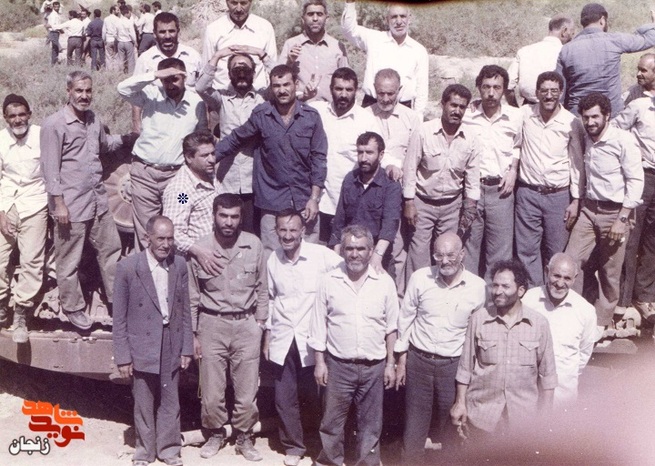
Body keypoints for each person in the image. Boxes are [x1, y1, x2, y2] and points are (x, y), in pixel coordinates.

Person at [40, 71, 128, 330]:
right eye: (79, 91)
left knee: (111, 252)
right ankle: (73, 307)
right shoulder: (54, 125)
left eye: (88, 91)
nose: (84, 96)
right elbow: (50, 169)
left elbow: (104, 146)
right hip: (71, 206)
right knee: (69, 260)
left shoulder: (93, 120)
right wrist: (59, 205)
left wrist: (128, 138)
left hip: (98, 201)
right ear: (68, 91)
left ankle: (117, 302)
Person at [308, 224, 399, 466]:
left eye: (361, 249)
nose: (355, 254)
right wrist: (319, 363)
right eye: (349, 248)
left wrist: (390, 364)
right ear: (343, 250)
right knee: (332, 422)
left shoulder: (384, 282)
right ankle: (329, 462)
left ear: (371, 250)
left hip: (374, 367)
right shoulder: (329, 280)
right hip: (338, 366)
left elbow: (391, 328)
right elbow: (318, 325)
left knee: (371, 425)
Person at [214, 65, 327, 255]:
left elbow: (319, 158)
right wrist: (209, 158)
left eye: (286, 84)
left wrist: (314, 198)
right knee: (272, 256)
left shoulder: (311, 117)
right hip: (272, 199)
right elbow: (236, 138)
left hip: (304, 198)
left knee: (310, 255)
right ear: (271, 87)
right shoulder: (261, 114)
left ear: (296, 84)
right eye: (276, 86)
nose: (282, 90)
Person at [190, 194, 268, 461]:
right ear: (214, 215)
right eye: (223, 215)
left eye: (234, 216)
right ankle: (215, 433)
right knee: (212, 393)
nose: (228, 222)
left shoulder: (253, 245)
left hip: (246, 325)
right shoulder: (201, 248)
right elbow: (192, 295)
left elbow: (263, 288)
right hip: (212, 325)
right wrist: (193, 333)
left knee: (247, 392)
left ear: (241, 218)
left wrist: (260, 324)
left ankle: (244, 437)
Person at [395, 232, 485, 461]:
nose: (444, 261)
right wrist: (402, 361)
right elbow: (405, 320)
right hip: (419, 362)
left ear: (462, 254)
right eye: (439, 255)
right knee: (414, 427)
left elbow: (477, 333)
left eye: (450, 255)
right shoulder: (420, 278)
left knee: (451, 428)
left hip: (453, 366)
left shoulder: (478, 287)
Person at [113, 215, 193, 466]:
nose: (166, 244)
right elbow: (119, 318)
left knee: (170, 400)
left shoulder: (179, 265)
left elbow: (184, 310)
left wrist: (186, 348)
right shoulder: (128, 267)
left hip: (170, 340)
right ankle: (144, 452)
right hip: (142, 343)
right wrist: (123, 356)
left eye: (170, 239)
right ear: (147, 238)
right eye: (160, 238)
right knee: (143, 401)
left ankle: (169, 450)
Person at [264, 210, 342, 466]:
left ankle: (320, 446)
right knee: (284, 398)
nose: (287, 236)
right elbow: (271, 299)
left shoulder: (321, 256)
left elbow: (346, 271)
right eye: (283, 230)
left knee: (317, 397)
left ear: (303, 231)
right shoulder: (273, 259)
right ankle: (293, 447)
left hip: (313, 340)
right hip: (283, 337)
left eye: (293, 230)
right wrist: (268, 336)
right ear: (276, 231)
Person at [565, 92, 643, 333]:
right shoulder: (586, 137)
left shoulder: (623, 140)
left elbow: (636, 180)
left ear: (607, 116)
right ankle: (573, 312)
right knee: (571, 260)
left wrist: (622, 218)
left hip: (615, 212)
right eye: (586, 117)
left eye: (595, 117)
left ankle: (601, 323)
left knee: (610, 271)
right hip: (589, 210)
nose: (590, 122)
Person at [450, 259, 558, 435]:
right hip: (481, 416)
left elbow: (548, 375)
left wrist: (545, 416)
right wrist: (460, 403)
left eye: (505, 286)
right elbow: (465, 368)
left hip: (523, 420)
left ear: (521, 290)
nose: (498, 291)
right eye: (495, 285)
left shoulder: (539, 324)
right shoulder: (478, 319)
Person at [117, 58, 208, 250]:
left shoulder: (197, 102)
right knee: (147, 229)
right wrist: (155, 75)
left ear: (184, 77)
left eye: (175, 79)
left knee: (179, 218)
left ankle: (175, 266)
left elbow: (200, 137)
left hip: (177, 179)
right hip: (145, 176)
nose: (171, 84)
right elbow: (122, 89)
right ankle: (149, 266)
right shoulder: (150, 95)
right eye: (166, 80)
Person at [404, 84, 480, 281]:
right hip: (423, 203)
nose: (457, 111)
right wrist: (409, 202)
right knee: (419, 252)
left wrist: (470, 207)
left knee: (448, 252)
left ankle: (446, 291)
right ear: (442, 104)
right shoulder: (423, 131)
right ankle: (417, 290)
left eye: (462, 107)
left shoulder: (471, 137)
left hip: (451, 206)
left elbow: (472, 176)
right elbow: (410, 168)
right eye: (453, 105)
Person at [515, 71, 584, 286]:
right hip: (528, 193)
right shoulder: (524, 114)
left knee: (556, 251)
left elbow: (577, 164)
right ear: (536, 93)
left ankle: (554, 293)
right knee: (527, 250)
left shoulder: (571, 122)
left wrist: (576, 200)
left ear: (561, 93)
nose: (549, 95)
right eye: (544, 91)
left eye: (554, 91)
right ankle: (535, 292)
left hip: (558, 196)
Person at [462, 65, 522, 280]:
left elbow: (518, 146)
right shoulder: (467, 115)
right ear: (478, 88)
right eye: (486, 87)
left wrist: (513, 169)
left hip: (500, 191)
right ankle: (468, 296)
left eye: (497, 87)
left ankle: (495, 296)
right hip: (472, 190)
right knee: (469, 248)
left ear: (504, 90)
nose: (491, 92)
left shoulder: (516, 116)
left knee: (500, 252)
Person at [196, 52, 265, 234]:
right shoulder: (222, 99)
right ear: (229, 74)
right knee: (227, 227)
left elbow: (278, 79)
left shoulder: (262, 98)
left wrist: (263, 55)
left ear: (254, 73)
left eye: (246, 69)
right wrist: (216, 57)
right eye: (236, 69)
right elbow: (201, 87)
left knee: (250, 230)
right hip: (227, 176)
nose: (241, 74)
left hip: (253, 176)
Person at [366, 67, 422, 293]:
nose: (386, 98)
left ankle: (398, 297)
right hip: (370, 191)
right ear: (374, 90)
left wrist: (409, 198)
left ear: (400, 90)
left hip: (398, 192)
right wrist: (388, 164)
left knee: (397, 247)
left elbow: (414, 158)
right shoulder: (365, 115)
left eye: (391, 93)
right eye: (381, 93)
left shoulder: (412, 118)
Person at [309, 67, 380, 242]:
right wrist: (304, 96)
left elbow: (376, 154)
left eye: (349, 90)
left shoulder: (366, 120)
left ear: (356, 91)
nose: (343, 94)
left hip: (349, 202)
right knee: (316, 250)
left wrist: (394, 165)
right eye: (338, 89)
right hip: (316, 200)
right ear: (330, 89)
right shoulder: (316, 111)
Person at [0, 95, 47, 344]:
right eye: (12, 116)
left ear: (29, 114)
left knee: (32, 261)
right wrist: (1, 214)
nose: (18, 120)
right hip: (7, 204)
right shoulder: (1, 140)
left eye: (22, 114)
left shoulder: (42, 136)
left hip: (36, 203)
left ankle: (20, 315)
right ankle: (0, 305)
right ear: (5, 118)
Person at [522, 253, 597, 406]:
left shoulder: (585, 311)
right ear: (546, 271)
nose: (560, 283)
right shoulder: (528, 300)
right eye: (556, 276)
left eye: (567, 278)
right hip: (528, 395)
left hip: (563, 397)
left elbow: (584, 352)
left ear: (575, 278)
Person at [556, 3, 655, 117]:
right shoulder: (615, 40)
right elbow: (650, 38)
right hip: (609, 115)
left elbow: (560, 90)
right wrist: (651, 25)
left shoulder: (566, 49)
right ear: (602, 20)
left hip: (579, 115)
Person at [329, 131, 402, 274]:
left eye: (369, 153)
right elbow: (339, 221)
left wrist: (377, 257)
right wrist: (336, 256)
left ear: (381, 155)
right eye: (360, 152)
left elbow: (390, 225)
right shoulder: (350, 179)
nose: (363, 158)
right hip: (351, 251)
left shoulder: (390, 184)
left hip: (378, 252)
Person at [341, 0, 429, 115]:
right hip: (371, 106)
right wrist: (350, 3)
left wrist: (417, 118)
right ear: (387, 20)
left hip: (403, 109)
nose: (399, 21)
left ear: (409, 18)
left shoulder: (419, 50)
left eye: (402, 16)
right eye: (394, 17)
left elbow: (422, 90)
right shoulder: (374, 39)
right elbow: (349, 30)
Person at [614, 80, 655, 321]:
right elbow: (615, 128)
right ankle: (623, 300)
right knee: (631, 239)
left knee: (653, 240)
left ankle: (645, 296)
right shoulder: (640, 106)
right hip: (643, 177)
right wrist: (630, 153)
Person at [132, 12, 202, 133]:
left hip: (190, 124)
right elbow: (135, 94)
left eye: (171, 31)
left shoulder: (193, 56)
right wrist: (136, 126)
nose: (167, 36)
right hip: (157, 126)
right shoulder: (145, 60)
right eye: (162, 32)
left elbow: (203, 92)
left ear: (178, 31)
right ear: (154, 34)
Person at [161, 131, 219, 262]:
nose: (212, 160)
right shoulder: (181, 192)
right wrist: (199, 252)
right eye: (204, 155)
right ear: (189, 157)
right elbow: (174, 232)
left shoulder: (210, 174)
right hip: (198, 259)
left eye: (213, 153)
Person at [279, 0, 348, 103]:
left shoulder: (338, 47)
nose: (315, 18)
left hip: (330, 108)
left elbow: (347, 80)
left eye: (319, 14)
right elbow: (279, 80)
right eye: (310, 14)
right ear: (303, 19)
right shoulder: (291, 44)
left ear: (327, 19)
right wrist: (289, 62)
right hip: (300, 107)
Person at [201, 0, 277, 92]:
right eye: (234, 3)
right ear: (227, 2)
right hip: (223, 96)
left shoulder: (265, 27)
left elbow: (273, 68)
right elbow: (207, 69)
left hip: (258, 95)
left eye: (243, 3)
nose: (238, 9)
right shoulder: (213, 29)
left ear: (250, 2)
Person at [506, 15, 575, 107]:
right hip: (556, 108)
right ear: (564, 31)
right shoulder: (566, 52)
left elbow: (507, 85)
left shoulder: (525, 51)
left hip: (528, 108)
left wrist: (515, 108)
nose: (572, 37)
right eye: (572, 33)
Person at [116, 4, 137, 74]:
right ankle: (131, 73)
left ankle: (121, 72)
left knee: (121, 59)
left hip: (120, 42)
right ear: (127, 13)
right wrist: (135, 41)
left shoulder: (118, 21)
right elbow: (132, 33)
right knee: (130, 59)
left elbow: (115, 32)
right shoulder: (128, 22)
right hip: (128, 42)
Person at [103, 5, 120, 71]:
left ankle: (109, 71)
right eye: (117, 10)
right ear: (113, 10)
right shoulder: (118, 19)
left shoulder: (106, 19)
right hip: (116, 39)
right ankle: (116, 71)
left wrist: (104, 40)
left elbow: (104, 31)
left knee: (108, 57)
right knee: (116, 56)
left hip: (108, 39)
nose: (118, 11)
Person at [45, 1, 63, 66]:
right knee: (57, 47)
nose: (56, 7)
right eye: (55, 6)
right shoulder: (53, 15)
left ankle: (53, 63)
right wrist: (60, 29)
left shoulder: (57, 14)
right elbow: (51, 25)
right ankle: (55, 61)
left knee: (55, 48)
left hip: (56, 32)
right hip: (53, 32)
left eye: (58, 6)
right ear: (53, 7)